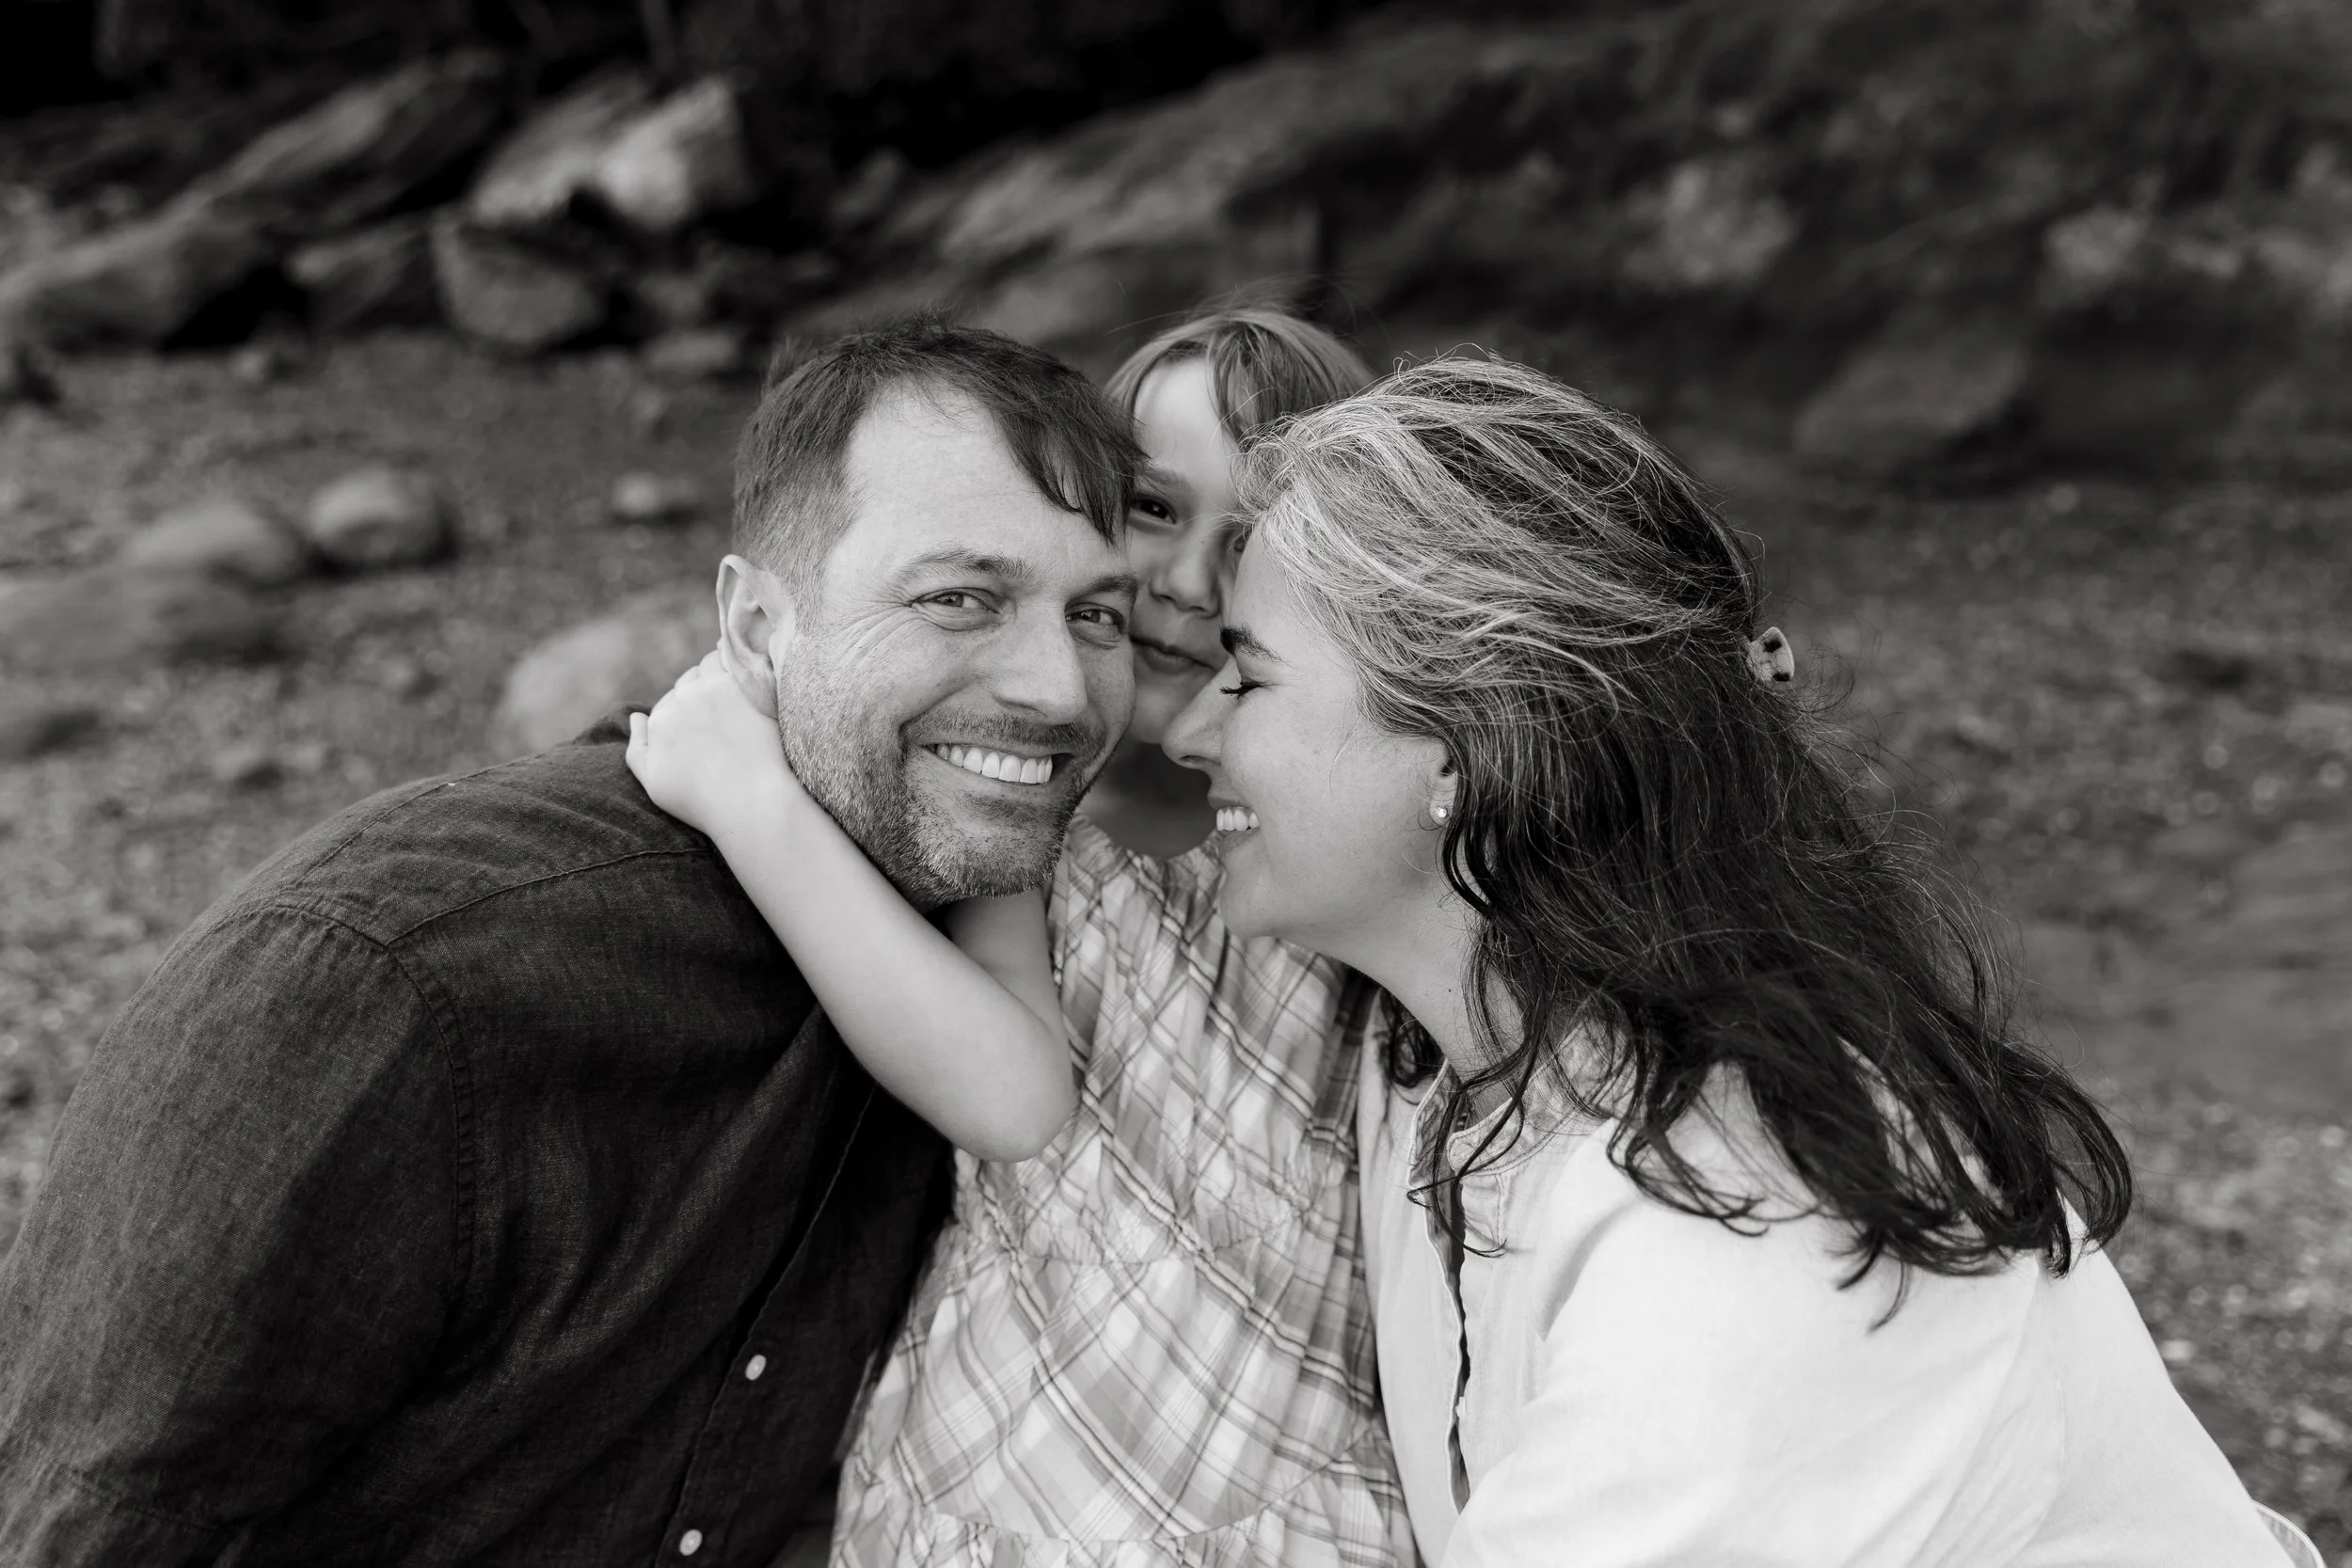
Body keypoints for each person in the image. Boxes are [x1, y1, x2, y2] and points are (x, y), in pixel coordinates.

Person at [0, 319, 1141, 1566]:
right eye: (958, 597)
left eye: (1096, 613)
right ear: (756, 628)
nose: (1061, 690)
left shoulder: (965, 920)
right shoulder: (398, 985)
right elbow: (93, 1523)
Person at [1160, 354, 2301, 1565]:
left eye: (1246, 676)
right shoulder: (1471, 1052)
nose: (1186, 727)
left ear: (1467, 749)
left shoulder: (1734, 1227)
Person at [628, 306, 1413, 1565]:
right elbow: (1008, 1088)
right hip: (1007, 1458)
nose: (1186, 584)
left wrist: (747, 798)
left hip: (1286, 1473)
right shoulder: (1027, 801)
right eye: (1153, 508)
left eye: (1253, 539)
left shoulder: (1330, 835)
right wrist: (752, 794)